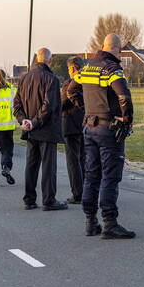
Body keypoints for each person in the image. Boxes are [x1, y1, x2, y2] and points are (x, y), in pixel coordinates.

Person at [67, 33, 135, 239]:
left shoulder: (87, 68)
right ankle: (110, 223)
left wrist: (86, 110)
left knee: (91, 174)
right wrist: (127, 119)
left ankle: (90, 221)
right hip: (108, 129)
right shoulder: (112, 69)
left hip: (89, 127)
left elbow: (71, 91)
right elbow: (123, 96)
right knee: (110, 176)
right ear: (118, 49)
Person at [13, 48, 67, 211]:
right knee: (48, 167)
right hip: (46, 129)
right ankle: (49, 200)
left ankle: (29, 199)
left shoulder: (24, 78)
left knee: (31, 165)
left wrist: (24, 121)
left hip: (30, 129)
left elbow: (16, 104)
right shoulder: (51, 79)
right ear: (49, 60)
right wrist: (34, 122)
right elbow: (48, 106)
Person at [60, 56, 85, 205]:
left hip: (70, 126)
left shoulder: (69, 84)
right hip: (85, 125)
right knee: (84, 159)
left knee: (73, 161)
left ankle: (77, 194)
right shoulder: (89, 82)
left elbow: (63, 104)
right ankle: (87, 190)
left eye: (69, 68)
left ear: (73, 68)